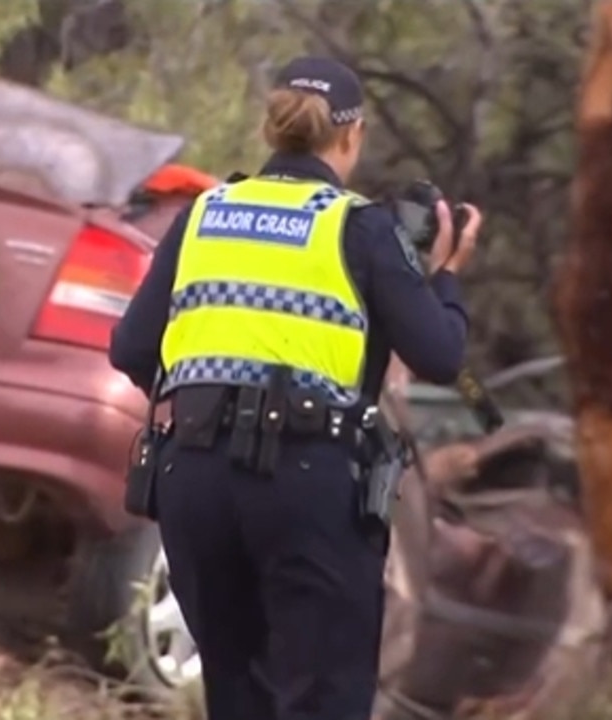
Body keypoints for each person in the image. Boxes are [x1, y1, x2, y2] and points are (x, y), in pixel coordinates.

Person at [108, 56, 480, 720]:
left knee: (236, 690)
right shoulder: (359, 227)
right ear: (352, 136)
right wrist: (445, 275)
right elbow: (440, 355)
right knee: (322, 696)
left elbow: (132, 348)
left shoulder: (202, 214)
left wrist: (206, 403)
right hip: (308, 480)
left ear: (270, 126)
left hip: (194, 481)